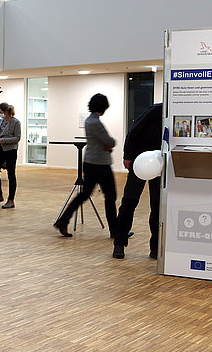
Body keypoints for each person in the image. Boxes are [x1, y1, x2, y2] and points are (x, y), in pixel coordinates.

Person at [53, 93, 118, 238]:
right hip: (100, 164)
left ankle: (63, 221)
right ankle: (116, 230)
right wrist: (111, 143)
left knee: (84, 195)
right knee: (110, 196)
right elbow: (109, 141)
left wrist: (107, 144)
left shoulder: (90, 120)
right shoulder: (95, 122)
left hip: (91, 162)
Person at [112, 103, 162, 259]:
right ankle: (119, 243)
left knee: (157, 205)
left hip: (160, 164)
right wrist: (128, 156)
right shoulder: (156, 110)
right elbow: (133, 132)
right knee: (129, 202)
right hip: (140, 162)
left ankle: (155, 247)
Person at [0, 102, 21, 209]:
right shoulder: (0, 122)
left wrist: (4, 140)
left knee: (11, 174)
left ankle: (11, 200)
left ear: (6, 111)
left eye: (1, 112)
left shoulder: (16, 122)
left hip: (10, 151)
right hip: (0, 150)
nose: (0, 114)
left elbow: (17, 138)